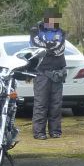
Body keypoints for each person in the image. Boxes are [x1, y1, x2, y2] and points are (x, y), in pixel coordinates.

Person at [29, 8, 68, 140]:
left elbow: (59, 48)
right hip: (41, 72)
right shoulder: (35, 30)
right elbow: (36, 46)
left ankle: (55, 131)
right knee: (41, 103)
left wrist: (47, 49)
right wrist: (48, 48)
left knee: (56, 104)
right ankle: (39, 132)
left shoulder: (61, 32)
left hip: (58, 72)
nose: (52, 21)